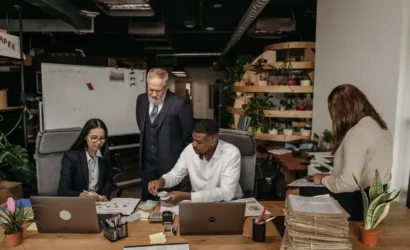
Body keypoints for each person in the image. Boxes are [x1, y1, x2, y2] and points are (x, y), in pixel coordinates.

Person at [287, 84, 393, 220]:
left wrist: (323, 180)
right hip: (378, 202)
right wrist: (325, 178)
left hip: (361, 204)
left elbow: (348, 184)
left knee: (293, 192)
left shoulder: (357, 133)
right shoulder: (380, 126)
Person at [148, 119, 243, 204]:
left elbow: (226, 192)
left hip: (228, 203)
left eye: (199, 142)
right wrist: (162, 181)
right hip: (198, 203)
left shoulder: (231, 153)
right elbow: (175, 175)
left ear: (213, 139)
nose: (194, 145)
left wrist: (188, 196)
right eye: (193, 139)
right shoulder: (189, 150)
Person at [136, 68, 195, 201]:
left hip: (171, 166)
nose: (154, 94)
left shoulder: (180, 103)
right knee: (147, 204)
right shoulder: (141, 100)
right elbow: (142, 127)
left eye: (158, 90)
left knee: (170, 204)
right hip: (147, 165)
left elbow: (188, 135)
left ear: (166, 86)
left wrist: (181, 164)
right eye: (151, 89)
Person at [58, 119, 113, 201]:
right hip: (79, 203)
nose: (98, 142)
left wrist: (104, 195)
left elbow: (108, 180)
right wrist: (82, 195)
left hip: (99, 202)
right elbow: (63, 191)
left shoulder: (105, 155)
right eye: (94, 138)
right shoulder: (71, 157)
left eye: (102, 138)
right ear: (85, 137)